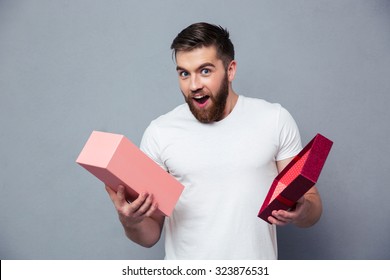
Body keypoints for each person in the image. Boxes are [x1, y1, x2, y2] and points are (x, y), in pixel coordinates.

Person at [105, 22, 322, 259]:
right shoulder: (160, 131)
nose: (194, 85)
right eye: (184, 73)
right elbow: (150, 234)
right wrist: (130, 221)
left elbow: (312, 205)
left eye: (205, 71)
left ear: (230, 70)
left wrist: (301, 211)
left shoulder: (276, 119)